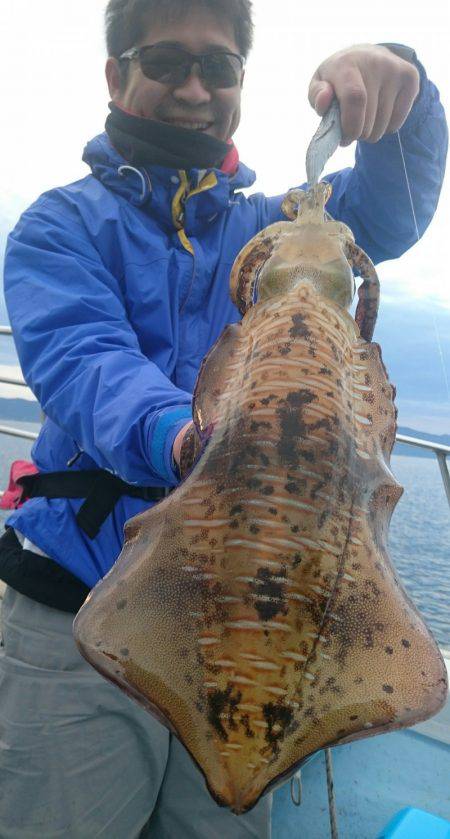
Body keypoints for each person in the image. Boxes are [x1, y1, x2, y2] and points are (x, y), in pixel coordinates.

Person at [0, 0, 447, 836]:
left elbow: (390, 210)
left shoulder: (277, 229)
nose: (196, 87)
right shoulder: (58, 225)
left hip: (259, 622)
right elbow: (86, 363)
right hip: (79, 610)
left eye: (220, 66)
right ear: (115, 74)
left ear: (242, 79)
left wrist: (400, 85)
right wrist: (198, 440)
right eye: (166, 62)